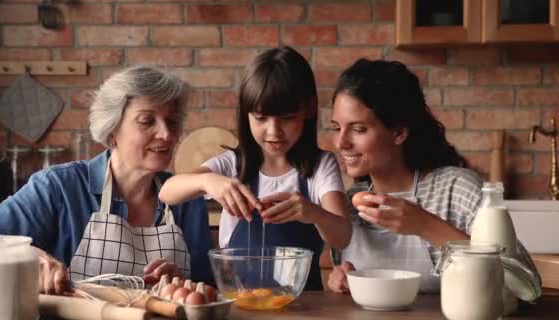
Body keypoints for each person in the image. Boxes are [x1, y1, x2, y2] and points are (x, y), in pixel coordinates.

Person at [0, 65, 213, 295]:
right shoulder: (59, 188)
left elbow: (208, 289)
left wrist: (183, 284)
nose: (166, 134)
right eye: (147, 121)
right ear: (112, 131)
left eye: (172, 121)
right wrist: (24, 255)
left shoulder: (187, 201)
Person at [326, 58, 541, 293]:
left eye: (358, 129)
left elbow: (527, 286)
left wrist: (425, 225)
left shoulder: (456, 189)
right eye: (337, 128)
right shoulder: (349, 204)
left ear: (398, 133)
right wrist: (343, 280)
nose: (341, 143)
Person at [159, 46, 352, 291]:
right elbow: (166, 191)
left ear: (309, 109)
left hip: (303, 305)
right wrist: (208, 181)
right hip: (238, 303)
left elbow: (342, 236)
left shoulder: (320, 166)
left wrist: (312, 212)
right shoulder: (231, 164)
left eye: (287, 117)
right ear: (246, 114)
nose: (273, 131)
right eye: (261, 118)